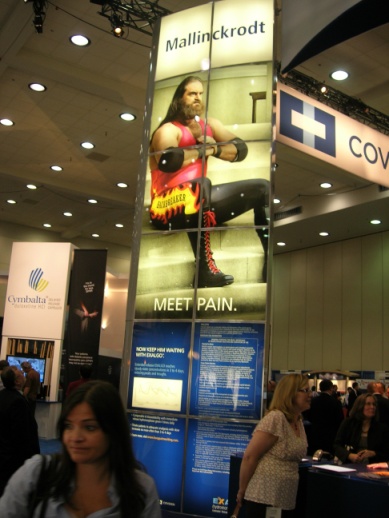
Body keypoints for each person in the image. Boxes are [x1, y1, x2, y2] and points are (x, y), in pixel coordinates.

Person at [149, 75, 269, 287]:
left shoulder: (209, 125)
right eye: (192, 93)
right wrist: (200, 149)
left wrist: (214, 148)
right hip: (164, 207)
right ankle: (204, 269)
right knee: (201, 184)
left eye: (200, 94)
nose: (197, 98)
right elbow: (169, 160)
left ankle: (270, 259)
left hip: (199, 201)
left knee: (263, 188)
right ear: (179, 98)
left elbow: (241, 149)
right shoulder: (169, 129)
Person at [0, 380, 161, 518]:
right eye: (69, 426)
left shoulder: (141, 489)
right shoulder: (36, 474)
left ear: (113, 431)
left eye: (89, 427)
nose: (75, 437)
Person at [237, 373, 311, 517]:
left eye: (310, 390)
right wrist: (242, 490)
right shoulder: (275, 418)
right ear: (290, 393)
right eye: (305, 390)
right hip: (264, 496)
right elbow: (250, 457)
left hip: (285, 498)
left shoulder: (298, 421)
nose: (310, 395)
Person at [0, 366, 40, 497]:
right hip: (13, 462)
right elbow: (22, 436)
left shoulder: (3, 396)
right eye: (20, 373)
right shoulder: (18, 401)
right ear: (17, 381)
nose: (23, 374)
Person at [334, 393, 389, 464]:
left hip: (372, 467)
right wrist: (349, 455)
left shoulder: (382, 428)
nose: (372, 407)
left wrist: (373, 453)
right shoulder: (348, 423)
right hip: (349, 465)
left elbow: (386, 452)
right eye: (368, 404)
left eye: (374, 404)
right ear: (360, 406)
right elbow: (337, 445)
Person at [303, 379, 344, 455]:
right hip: (330, 435)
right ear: (331, 388)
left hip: (315, 434)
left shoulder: (313, 401)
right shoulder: (335, 402)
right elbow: (340, 420)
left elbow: (308, 416)